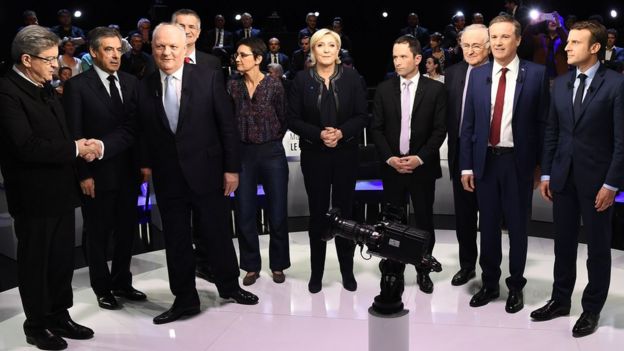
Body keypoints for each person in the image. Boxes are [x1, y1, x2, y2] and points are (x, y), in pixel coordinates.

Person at [136, 23, 258, 325]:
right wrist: (145, 164)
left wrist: (232, 169)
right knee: (176, 241)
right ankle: (185, 299)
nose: (166, 52)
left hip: (208, 173)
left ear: (184, 48)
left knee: (216, 233)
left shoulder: (208, 77)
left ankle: (229, 286)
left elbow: (227, 127)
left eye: (173, 47)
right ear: (153, 48)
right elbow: (143, 132)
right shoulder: (144, 84)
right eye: (160, 46)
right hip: (168, 177)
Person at [0, 25, 97, 350]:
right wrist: (74, 148)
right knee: (36, 263)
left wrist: (77, 148)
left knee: (60, 260)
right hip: (33, 197)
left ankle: (59, 314)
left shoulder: (43, 86)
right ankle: (36, 324)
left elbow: (60, 132)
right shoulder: (7, 92)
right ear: (27, 59)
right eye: (49, 59)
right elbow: (25, 146)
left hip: (60, 191)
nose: (56, 65)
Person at [531, 21, 624, 338]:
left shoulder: (616, 84)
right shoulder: (560, 83)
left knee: (598, 249)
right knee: (563, 246)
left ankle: (592, 309)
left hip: (598, 183)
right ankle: (559, 300)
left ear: (595, 47)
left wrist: (611, 184)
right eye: (567, 42)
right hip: (562, 178)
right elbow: (552, 132)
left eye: (574, 42)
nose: (567, 47)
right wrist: (546, 172)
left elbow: (622, 141)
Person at [460, 15, 549, 313]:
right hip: (485, 163)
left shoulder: (536, 74)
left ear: (518, 40)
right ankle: (489, 283)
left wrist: (541, 167)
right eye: (494, 37)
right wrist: (466, 166)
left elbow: (543, 125)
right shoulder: (478, 74)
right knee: (486, 227)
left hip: (518, 164)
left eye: (504, 37)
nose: (498, 42)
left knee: (518, 228)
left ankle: (515, 286)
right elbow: (469, 126)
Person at [63, 26, 146, 311]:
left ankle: (123, 280)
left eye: (118, 49)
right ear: (94, 52)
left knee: (126, 231)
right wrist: (83, 174)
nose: (115, 55)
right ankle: (102, 286)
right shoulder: (77, 86)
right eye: (108, 49)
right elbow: (74, 134)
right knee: (97, 233)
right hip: (96, 174)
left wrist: (143, 165)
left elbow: (137, 129)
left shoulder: (132, 82)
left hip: (128, 172)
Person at [287, 28, 368, 294]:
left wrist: (342, 132)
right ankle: (316, 274)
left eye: (331, 45)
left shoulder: (353, 78)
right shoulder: (300, 80)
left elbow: (361, 115)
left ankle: (347, 271)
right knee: (318, 213)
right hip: (315, 155)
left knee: (345, 214)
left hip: (346, 154)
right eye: (320, 45)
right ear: (312, 49)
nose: (326, 50)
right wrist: (319, 134)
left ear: (338, 50)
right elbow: (293, 119)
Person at [371, 34, 447, 294]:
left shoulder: (436, 90)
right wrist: (391, 158)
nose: (398, 61)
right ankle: (393, 270)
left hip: (422, 168)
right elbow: (377, 129)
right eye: (394, 56)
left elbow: (439, 130)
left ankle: (423, 269)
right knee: (392, 223)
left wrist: (419, 158)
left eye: (403, 56)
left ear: (417, 58)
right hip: (392, 168)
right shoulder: (383, 88)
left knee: (424, 221)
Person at [228, 37, 290, 286]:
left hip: (272, 152)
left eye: (243, 55)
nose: (237, 59)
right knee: (244, 213)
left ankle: (278, 265)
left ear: (258, 59)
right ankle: (251, 266)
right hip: (242, 155)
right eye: (237, 55)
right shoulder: (232, 86)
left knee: (277, 212)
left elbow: (284, 118)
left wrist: (271, 138)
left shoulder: (275, 85)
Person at [444, 24, 490, 286]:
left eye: (476, 45)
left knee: (490, 215)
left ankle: (489, 269)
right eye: (465, 45)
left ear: (487, 47)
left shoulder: (496, 73)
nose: (470, 50)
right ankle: (467, 265)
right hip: (459, 152)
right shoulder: (452, 73)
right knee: (464, 216)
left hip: (487, 153)